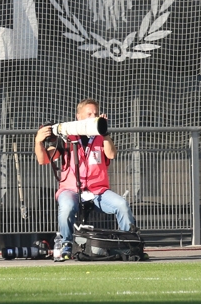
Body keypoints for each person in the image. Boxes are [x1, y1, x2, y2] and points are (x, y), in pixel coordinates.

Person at [33, 98, 135, 261]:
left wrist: (105, 133)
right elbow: (44, 160)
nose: (93, 116)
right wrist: (38, 141)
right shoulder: (66, 136)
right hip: (71, 189)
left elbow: (111, 155)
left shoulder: (101, 137)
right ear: (78, 117)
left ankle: (130, 245)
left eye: (95, 114)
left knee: (122, 205)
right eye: (89, 114)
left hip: (98, 190)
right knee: (66, 207)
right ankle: (66, 244)